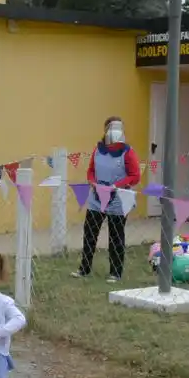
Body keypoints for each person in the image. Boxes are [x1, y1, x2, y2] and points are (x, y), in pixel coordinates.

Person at [72, 117, 141, 283]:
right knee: (90, 233)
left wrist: (116, 185)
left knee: (116, 236)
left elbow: (135, 176)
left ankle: (115, 272)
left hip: (117, 198)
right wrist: (91, 181)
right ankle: (84, 268)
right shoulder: (98, 150)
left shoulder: (127, 152)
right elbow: (91, 170)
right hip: (96, 197)